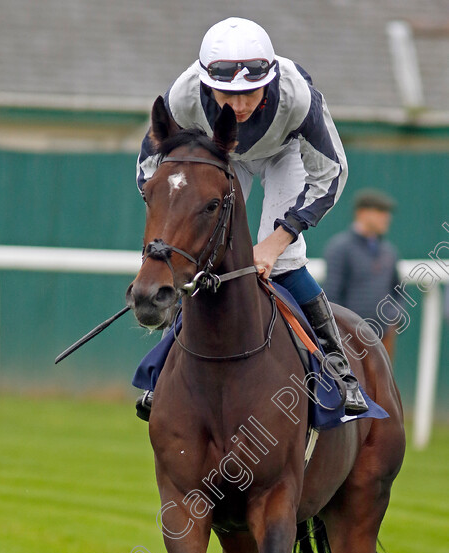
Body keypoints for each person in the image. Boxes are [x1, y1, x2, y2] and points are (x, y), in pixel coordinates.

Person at [135, 16, 368, 418]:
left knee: (284, 263)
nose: (240, 106)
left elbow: (332, 173)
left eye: (250, 93)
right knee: (202, 258)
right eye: (227, 96)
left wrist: (278, 241)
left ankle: (338, 367)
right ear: (207, 84)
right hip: (219, 155)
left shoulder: (298, 96)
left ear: (270, 78)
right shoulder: (185, 94)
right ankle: (164, 367)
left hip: (286, 154)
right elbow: (148, 171)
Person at [324, 189, 399, 360]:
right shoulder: (340, 248)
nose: (386, 217)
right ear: (362, 213)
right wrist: (345, 332)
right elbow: (332, 295)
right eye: (380, 211)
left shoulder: (388, 251)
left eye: (387, 212)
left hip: (383, 337)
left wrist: (394, 319)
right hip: (351, 340)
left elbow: (398, 291)